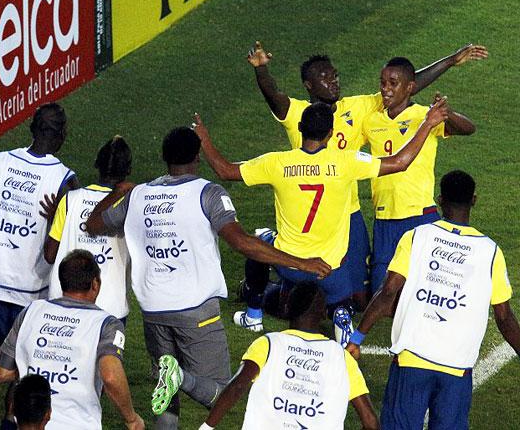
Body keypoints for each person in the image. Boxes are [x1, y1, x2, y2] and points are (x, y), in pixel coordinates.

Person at [85, 126, 331, 429]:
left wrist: (120, 191)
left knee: (166, 391)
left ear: (164, 158)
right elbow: (241, 242)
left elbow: (94, 224)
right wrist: (301, 263)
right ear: (197, 156)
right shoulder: (208, 193)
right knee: (221, 395)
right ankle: (181, 375)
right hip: (195, 310)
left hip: (152, 310)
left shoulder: (139, 195)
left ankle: (173, 376)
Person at [247, 40, 488, 309]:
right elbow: (274, 95)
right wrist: (261, 70)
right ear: (309, 85)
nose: (333, 81)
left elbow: (403, 87)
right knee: (306, 287)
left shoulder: (359, 108)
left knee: (360, 300)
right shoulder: (297, 113)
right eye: (324, 78)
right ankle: (273, 293)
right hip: (307, 216)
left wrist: (451, 61)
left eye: (335, 75)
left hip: (349, 214)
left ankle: (300, 292)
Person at [194, 97, 449, 347]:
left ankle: (253, 315)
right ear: (330, 134)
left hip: (289, 265)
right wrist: (427, 124)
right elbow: (400, 163)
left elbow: (225, 170)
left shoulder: (277, 163)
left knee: (260, 240)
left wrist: (204, 139)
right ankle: (341, 313)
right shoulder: (346, 161)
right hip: (330, 270)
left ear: (301, 128)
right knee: (342, 291)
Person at [346, 170, 520, 430]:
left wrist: (357, 338)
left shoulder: (416, 237)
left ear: (439, 200)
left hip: (411, 360)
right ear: (474, 200)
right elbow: (504, 316)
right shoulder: (490, 251)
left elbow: (389, 292)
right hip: (456, 368)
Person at [0, 102, 78, 430]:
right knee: (25, 363)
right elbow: (73, 238)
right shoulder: (64, 180)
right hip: (32, 288)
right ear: (62, 135)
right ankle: (10, 423)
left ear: (32, 129)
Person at [0, 250, 145, 430]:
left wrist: (40, 367)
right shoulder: (106, 325)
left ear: (62, 281)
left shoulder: (31, 311)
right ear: (95, 284)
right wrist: (132, 419)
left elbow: (1, 372)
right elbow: (111, 377)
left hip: (32, 423)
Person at [363, 57, 476, 294]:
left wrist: (447, 113)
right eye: (383, 83)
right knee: (380, 291)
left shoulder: (425, 116)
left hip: (419, 215)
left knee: (425, 284)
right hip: (384, 216)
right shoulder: (371, 121)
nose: (385, 89)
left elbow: (468, 128)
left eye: (393, 83)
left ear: (409, 87)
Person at [200, 281, 380, 430]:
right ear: (325, 314)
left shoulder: (268, 344)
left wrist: (207, 427)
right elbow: (371, 423)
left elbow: (238, 385)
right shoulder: (342, 359)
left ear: (287, 308)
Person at [44, 136, 132, 323]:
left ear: (96, 164)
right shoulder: (130, 205)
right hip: (110, 307)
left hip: (63, 300)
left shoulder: (69, 200)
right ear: (128, 170)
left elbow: (50, 255)